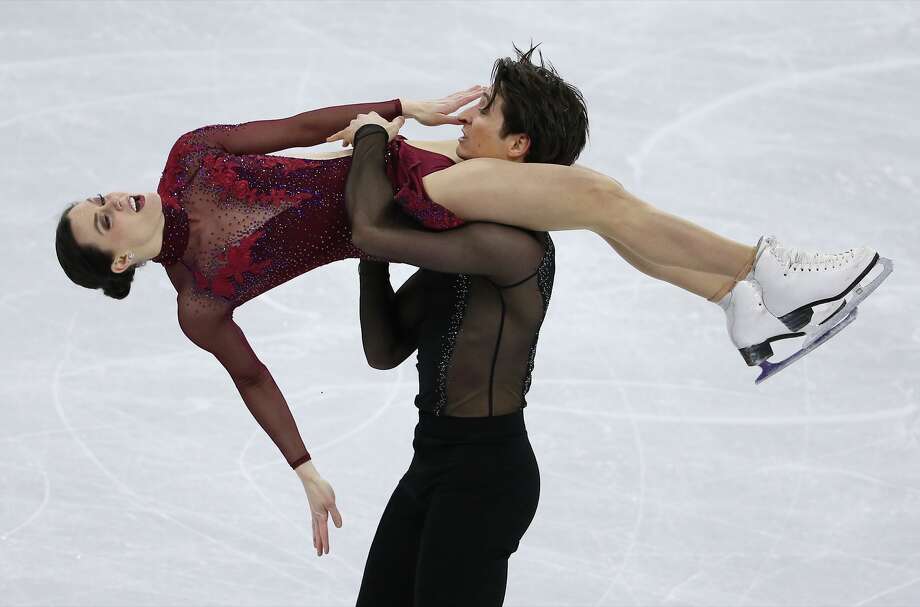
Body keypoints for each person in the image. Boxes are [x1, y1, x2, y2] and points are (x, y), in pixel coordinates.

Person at [54, 44, 889, 556]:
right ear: (119, 263)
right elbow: (253, 378)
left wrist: (395, 108)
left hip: (405, 175)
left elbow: (303, 125)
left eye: (102, 195)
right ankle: (760, 277)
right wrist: (304, 468)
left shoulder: (191, 157)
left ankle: (740, 292)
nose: (116, 199)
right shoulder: (199, 302)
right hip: (401, 198)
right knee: (598, 201)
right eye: (102, 219)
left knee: (601, 206)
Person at [346, 119, 551, 606]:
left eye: (487, 110)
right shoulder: (464, 246)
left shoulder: (514, 248)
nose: (468, 119)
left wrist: (370, 136)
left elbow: (369, 230)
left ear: (517, 145)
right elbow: (385, 350)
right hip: (433, 461)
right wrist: (372, 258)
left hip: (486, 476)